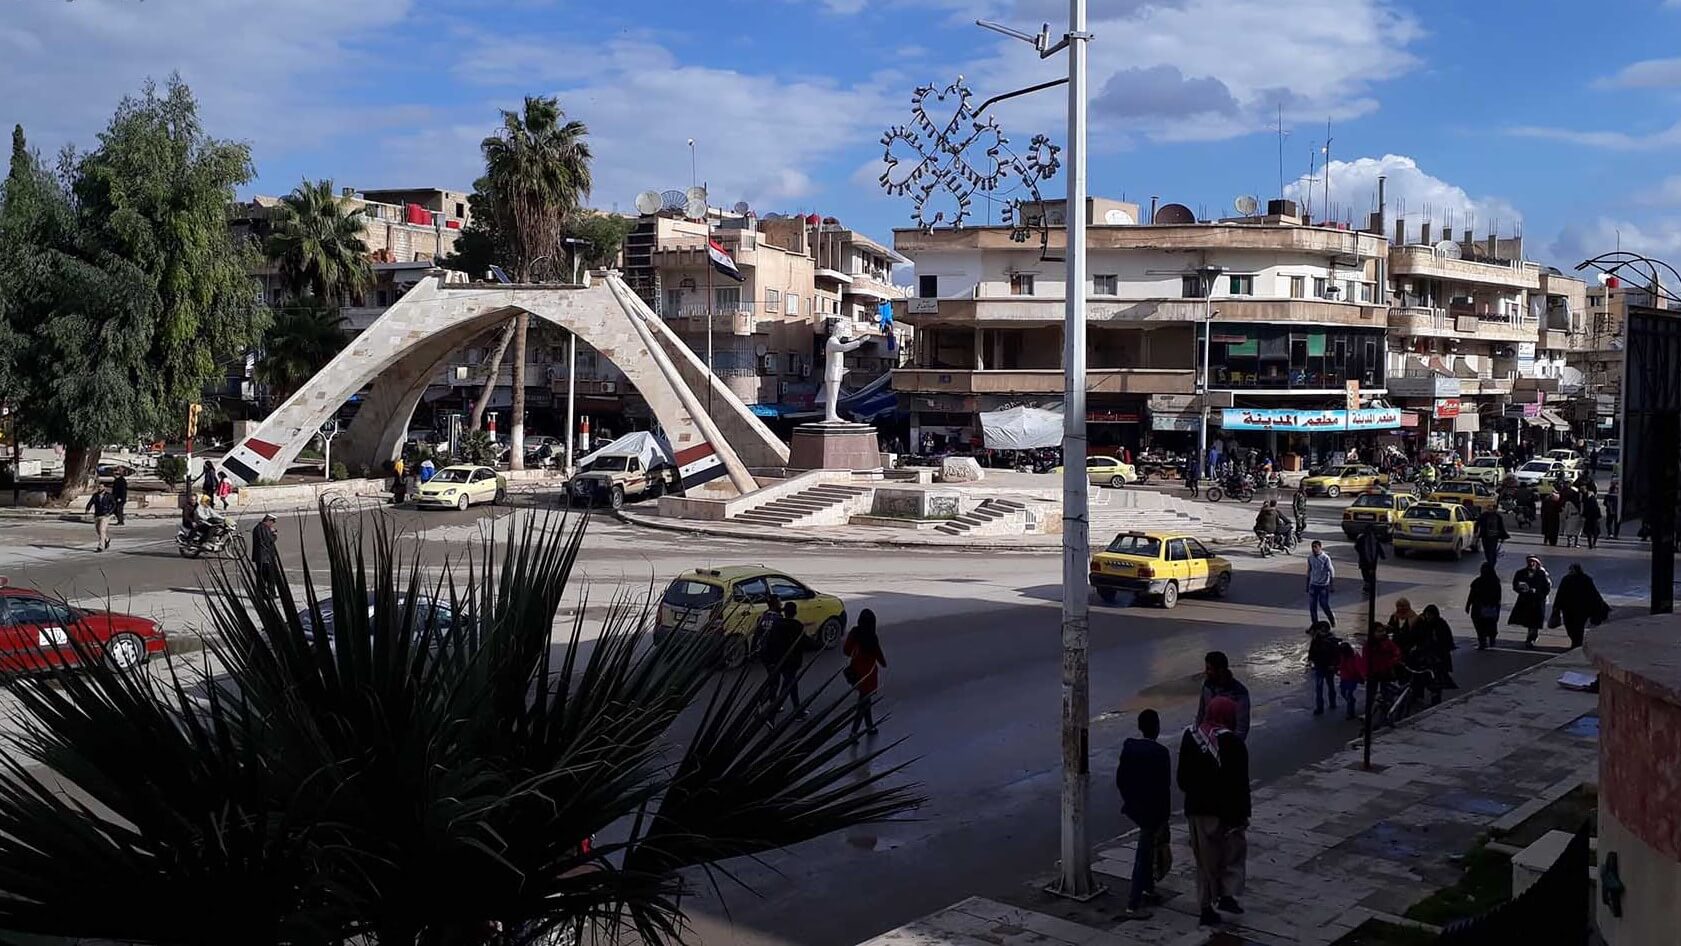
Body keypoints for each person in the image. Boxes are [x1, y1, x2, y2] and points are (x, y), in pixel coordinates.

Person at [1179, 695, 1250, 927]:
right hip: (1227, 813)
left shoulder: (1191, 736)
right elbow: (1240, 783)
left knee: (1205, 861)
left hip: (1198, 812)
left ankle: (1206, 906)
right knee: (1233, 856)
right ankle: (1228, 894)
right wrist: (1242, 815)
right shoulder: (1234, 744)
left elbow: (1182, 778)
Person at [1115, 708, 1171, 919]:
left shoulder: (1129, 748)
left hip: (1135, 807)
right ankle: (1133, 903)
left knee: (1146, 851)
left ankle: (1148, 889)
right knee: (1143, 853)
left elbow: (1121, 780)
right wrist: (1163, 817)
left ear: (1139, 727)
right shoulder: (1161, 753)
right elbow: (1163, 788)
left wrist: (1130, 801)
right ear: (1157, 728)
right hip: (1153, 811)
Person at [842, 609, 887, 737]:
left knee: (865, 701)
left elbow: (846, 651)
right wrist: (883, 663)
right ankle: (854, 732)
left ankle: (870, 726)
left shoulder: (855, 632)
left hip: (856, 673)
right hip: (869, 676)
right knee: (863, 703)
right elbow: (880, 657)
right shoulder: (872, 637)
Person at [761, 602, 809, 723]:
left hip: (779, 660)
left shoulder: (777, 624)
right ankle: (774, 714)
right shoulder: (797, 626)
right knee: (789, 686)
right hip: (792, 662)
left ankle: (795, 710)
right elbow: (805, 642)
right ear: (795, 612)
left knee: (789, 685)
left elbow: (770, 642)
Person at [1551, 564, 1610, 650]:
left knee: (1578, 627)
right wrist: (1556, 608)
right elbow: (1560, 594)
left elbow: (1593, 593)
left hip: (1581, 609)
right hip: (1568, 609)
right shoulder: (1566, 579)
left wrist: (1600, 606)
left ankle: (1577, 644)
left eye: (1572, 569)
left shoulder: (1585, 579)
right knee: (1569, 627)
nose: (1571, 571)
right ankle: (1575, 642)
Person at [1195, 651, 1252, 741]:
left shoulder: (1239, 692)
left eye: (1209, 669)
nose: (1206, 672)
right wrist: (1197, 735)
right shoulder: (1207, 686)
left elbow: (1242, 727)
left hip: (1227, 742)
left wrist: (1233, 747)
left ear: (1220, 670)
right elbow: (1201, 713)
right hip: (1206, 740)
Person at [1411, 604, 1457, 705]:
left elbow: (1447, 641)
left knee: (1436, 680)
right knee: (1420, 676)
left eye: (1430, 615)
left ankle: (1435, 699)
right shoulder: (1421, 623)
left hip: (1437, 657)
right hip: (1423, 655)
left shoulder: (1441, 624)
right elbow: (1414, 635)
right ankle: (1417, 696)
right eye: (1427, 614)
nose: (1428, 617)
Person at [1509, 555, 1552, 648]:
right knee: (1528, 620)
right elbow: (1515, 585)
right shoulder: (1521, 573)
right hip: (1526, 600)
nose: (1531, 564)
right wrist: (1521, 589)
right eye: (1529, 562)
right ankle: (1531, 635)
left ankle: (1531, 637)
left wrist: (1538, 593)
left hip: (1538, 602)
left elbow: (1547, 587)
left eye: (1533, 562)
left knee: (1535, 621)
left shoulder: (1542, 574)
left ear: (1537, 563)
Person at [1465, 562, 1504, 650]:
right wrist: (1468, 605)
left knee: (1485, 625)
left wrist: (1468, 605)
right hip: (1483, 608)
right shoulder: (1480, 582)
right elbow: (1472, 595)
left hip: (1486, 607)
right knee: (1485, 625)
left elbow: (1498, 597)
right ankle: (1486, 641)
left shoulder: (1492, 582)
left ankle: (1487, 641)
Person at [1306, 621, 1340, 716]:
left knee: (1329, 686)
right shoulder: (1316, 639)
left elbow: (1336, 655)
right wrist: (1310, 660)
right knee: (1320, 687)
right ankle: (1321, 707)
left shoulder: (1331, 640)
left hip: (1328, 667)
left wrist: (1334, 665)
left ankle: (1331, 703)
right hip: (1320, 666)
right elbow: (1312, 650)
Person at [1305, 540, 1335, 627]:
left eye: (1316, 547)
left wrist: (1331, 585)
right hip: (1313, 585)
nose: (1314, 549)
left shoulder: (1325, 558)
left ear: (1320, 547)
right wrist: (1307, 584)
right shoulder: (1310, 558)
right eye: (1312, 547)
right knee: (1312, 606)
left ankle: (1331, 618)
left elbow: (1331, 571)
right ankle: (1315, 624)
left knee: (1324, 604)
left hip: (1323, 586)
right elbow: (1309, 571)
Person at [252, 514, 282, 598]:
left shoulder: (260, 528)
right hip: (265, 557)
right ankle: (266, 593)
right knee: (267, 576)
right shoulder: (262, 528)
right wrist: (274, 534)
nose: (272, 524)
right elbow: (268, 541)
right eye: (272, 522)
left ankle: (266, 593)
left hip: (263, 557)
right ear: (268, 520)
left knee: (265, 576)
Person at [1336, 640, 1364, 720]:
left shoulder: (1353, 658)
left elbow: (1357, 669)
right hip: (1344, 678)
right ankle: (1351, 702)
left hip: (1352, 679)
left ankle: (1350, 712)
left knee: (1348, 694)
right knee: (1343, 693)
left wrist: (1360, 677)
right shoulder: (1343, 657)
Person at [1355, 523, 1385, 594]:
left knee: (1366, 573)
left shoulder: (1362, 537)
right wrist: (1382, 555)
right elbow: (1378, 547)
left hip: (1365, 560)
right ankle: (1370, 586)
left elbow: (1357, 547)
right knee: (1369, 573)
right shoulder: (1374, 538)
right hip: (1371, 560)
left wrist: (1361, 553)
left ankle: (1368, 587)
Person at [85, 484, 116, 551]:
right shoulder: (95, 495)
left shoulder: (108, 495)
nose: (99, 488)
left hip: (105, 515)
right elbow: (90, 502)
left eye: (101, 487)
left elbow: (114, 504)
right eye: (98, 487)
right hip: (97, 515)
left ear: (104, 487)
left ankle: (101, 546)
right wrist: (87, 509)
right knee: (98, 530)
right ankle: (106, 539)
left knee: (102, 530)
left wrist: (110, 512)